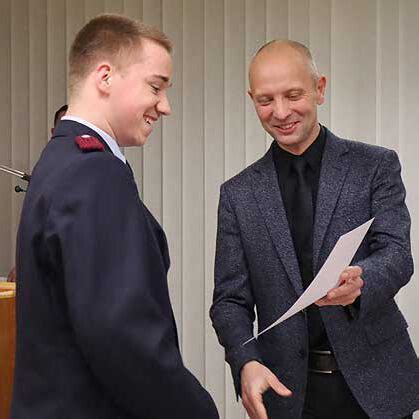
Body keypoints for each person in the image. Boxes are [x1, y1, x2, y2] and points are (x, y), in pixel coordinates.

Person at [12, 14, 218, 419]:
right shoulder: (95, 172)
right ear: (104, 77)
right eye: (155, 86)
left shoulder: (62, 158)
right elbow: (121, 335)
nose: (166, 106)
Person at [210, 40, 419, 419]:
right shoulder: (237, 195)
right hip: (289, 393)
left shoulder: (374, 165)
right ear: (251, 99)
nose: (281, 112)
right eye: (265, 100)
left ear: (319, 88)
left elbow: (397, 254)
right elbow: (229, 301)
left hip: (379, 386)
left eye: (293, 95)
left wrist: (363, 281)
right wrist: (245, 361)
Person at [6, 104, 68, 284]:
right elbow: (35, 222)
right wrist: (23, 264)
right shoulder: (47, 167)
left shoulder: (101, 164)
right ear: (53, 131)